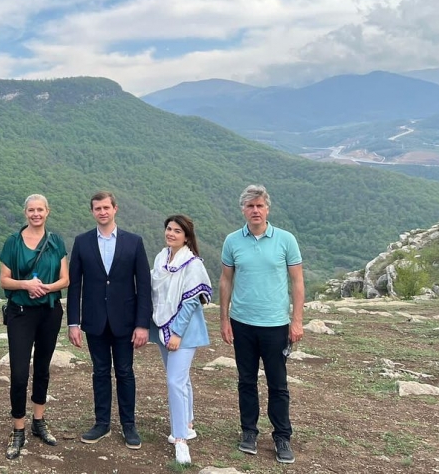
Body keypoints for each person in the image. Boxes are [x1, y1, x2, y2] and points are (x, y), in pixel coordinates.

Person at [220, 184, 304, 465]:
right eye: (250, 206)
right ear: (243, 210)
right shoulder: (232, 241)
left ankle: (282, 437)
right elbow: (226, 280)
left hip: (276, 324)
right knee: (246, 381)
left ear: (267, 209)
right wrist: (224, 319)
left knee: (278, 384)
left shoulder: (286, 240)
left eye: (259, 205)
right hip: (242, 322)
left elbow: (297, 281)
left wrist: (297, 321)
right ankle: (249, 432)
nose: (255, 210)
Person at [67, 190, 152, 449]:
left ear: (115, 209)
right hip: (95, 320)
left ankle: (129, 425)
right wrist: (73, 323)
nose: (102, 212)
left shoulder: (134, 242)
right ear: (92, 212)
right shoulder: (82, 242)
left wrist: (142, 324)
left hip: (125, 321)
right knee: (100, 372)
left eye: (106, 207)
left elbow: (144, 286)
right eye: (97, 208)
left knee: (125, 372)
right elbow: (75, 285)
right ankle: (102, 423)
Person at [0, 194, 70, 460]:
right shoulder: (13, 242)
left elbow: (65, 279)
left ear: (47, 212)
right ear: (25, 212)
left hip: (49, 311)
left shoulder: (56, 242)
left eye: (40, 209)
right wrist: (26, 284)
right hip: (20, 312)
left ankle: (39, 421)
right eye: (31, 210)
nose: (36, 214)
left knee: (42, 368)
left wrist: (46, 288)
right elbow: (4, 280)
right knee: (19, 372)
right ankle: (18, 427)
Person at [149, 214, 212, 465]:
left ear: (186, 237)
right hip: (162, 327)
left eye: (177, 231)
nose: (171, 233)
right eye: (168, 229)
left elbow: (190, 302)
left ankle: (180, 439)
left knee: (174, 382)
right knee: (181, 379)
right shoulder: (161, 258)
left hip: (183, 333)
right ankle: (188, 423)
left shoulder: (192, 264)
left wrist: (176, 333)